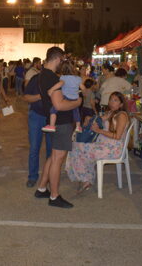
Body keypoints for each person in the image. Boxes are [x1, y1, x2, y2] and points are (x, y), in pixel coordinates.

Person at [34, 46, 81, 209]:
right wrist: (77, 103)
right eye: (62, 60)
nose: (63, 63)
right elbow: (59, 105)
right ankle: (54, 196)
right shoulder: (52, 78)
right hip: (61, 123)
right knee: (57, 159)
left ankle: (42, 188)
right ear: (57, 59)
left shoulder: (43, 75)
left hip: (54, 123)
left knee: (53, 157)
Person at [66, 92, 129, 192]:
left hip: (113, 148)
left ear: (121, 104)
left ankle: (86, 178)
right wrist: (89, 119)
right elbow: (98, 119)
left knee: (78, 149)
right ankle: (86, 178)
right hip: (104, 144)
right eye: (111, 99)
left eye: (115, 100)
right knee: (76, 145)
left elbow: (117, 136)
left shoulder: (122, 115)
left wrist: (99, 131)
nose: (111, 102)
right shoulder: (111, 112)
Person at [23, 74, 52, 187]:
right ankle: (32, 176)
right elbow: (26, 97)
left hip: (52, 118)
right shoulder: (36, 78)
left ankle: (49, 175)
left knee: (51, 149)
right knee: (34, 148)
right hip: (36, 116)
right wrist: (41, 96)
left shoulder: (56, 79)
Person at [42, 61, 83, 133]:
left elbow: (60, 84)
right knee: (76, 112)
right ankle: (78, 126)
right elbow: (83, 87)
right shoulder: (78, 78)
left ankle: (52, 125)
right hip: (75, 98)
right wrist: (83, 92)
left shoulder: (63, 77)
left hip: (66, 97)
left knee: (53, 110)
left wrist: (51, 89)